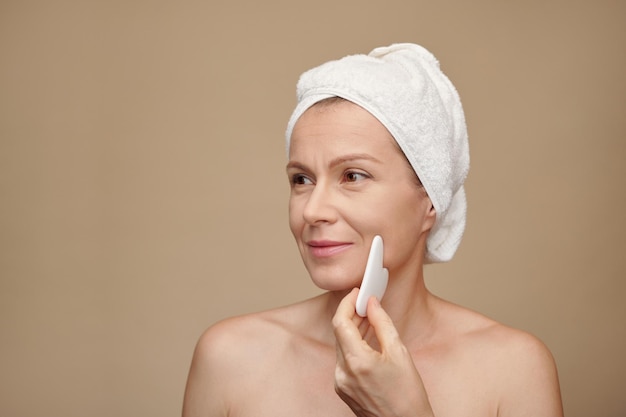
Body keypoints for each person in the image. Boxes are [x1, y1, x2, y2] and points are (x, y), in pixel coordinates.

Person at [182, 43, 563, 417]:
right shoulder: (229, 360)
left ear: (429, 200)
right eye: (301, 179)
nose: (313, 210)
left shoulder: (513, 371)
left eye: (353, 175)